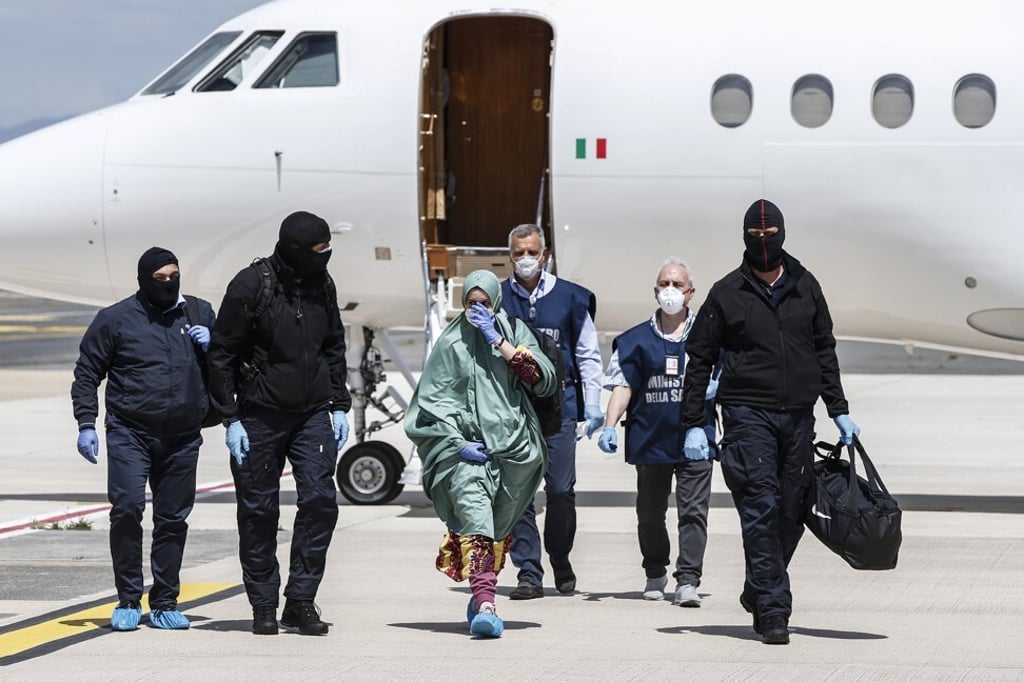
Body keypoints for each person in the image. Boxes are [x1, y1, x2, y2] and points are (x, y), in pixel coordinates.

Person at [681, 199, 861, 645]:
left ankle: (758, 587)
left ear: (783, 234)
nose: (763, 243)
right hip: (746, 414)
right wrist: (694, 422)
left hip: (798, 415)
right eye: (755, 236)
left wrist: (838, 408)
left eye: (770, 235)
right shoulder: (726, 293)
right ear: (744, 238)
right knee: (760, 508)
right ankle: (774, 610)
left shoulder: (805, 285)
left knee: (792, 511)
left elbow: (824, 348)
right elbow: (699, 358)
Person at [207, 211, 351, 636]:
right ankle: (264, 603)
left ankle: (301, 600)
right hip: (259, 414)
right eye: (319, 250)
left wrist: (339, 404)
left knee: (320, 501)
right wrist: (230, 417)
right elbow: (221, 353)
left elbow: (334, 344)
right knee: (258, 510)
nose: (326, 256)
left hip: (313, 413)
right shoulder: (251, 285)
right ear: (295, 250)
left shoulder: (322, 284)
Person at [405, 270, 557, 638]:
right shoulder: (450, 342)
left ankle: (479, 596)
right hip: (467, 454)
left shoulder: (514, 332)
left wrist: (499, 341)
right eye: (471, 303)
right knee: (476, 522)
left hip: (512, 451)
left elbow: (541, 379)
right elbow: (431, 403)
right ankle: (487, 602)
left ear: (496, 302)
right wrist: (455, 443)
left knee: (496, 529)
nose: (478, 310)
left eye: (484, 303)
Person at [71, 247, 215, 631]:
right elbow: (87, 373)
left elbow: (230, 365)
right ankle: (129, 598)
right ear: (143, 280)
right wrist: (86, 423)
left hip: (182, 436)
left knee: (172, 519)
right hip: (130, 431)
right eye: (160, 279)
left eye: (174, 277)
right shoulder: (115, 319)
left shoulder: (198, 313)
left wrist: (213, 346)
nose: (168, 284)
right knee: (127, 509)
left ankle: (165, 601)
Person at [597, 258, 717, 607]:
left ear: (691, 293)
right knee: (650, 513)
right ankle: (655, 570)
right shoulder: (634, 341)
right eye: (665, 284)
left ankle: (688, 580)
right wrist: (608, 425)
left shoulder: (710, 336)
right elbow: (623, 386)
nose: (670, 291)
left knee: (693, 512)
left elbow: (729, 376)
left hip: (695, 439)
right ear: (655, 291)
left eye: (678, 285)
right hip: (651, 439)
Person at [500, 223, 603, 599]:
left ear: (545, 254)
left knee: (560, 490)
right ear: (510, 256)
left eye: (533, 252)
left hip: (560, 408)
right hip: (515, 411)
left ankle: (560, 556)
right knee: (519, 493)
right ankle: (528, 571)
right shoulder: (497, 298)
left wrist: (593, 403)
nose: (526, 258)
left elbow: (588, 354)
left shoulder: (572, 298)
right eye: (519, 253)